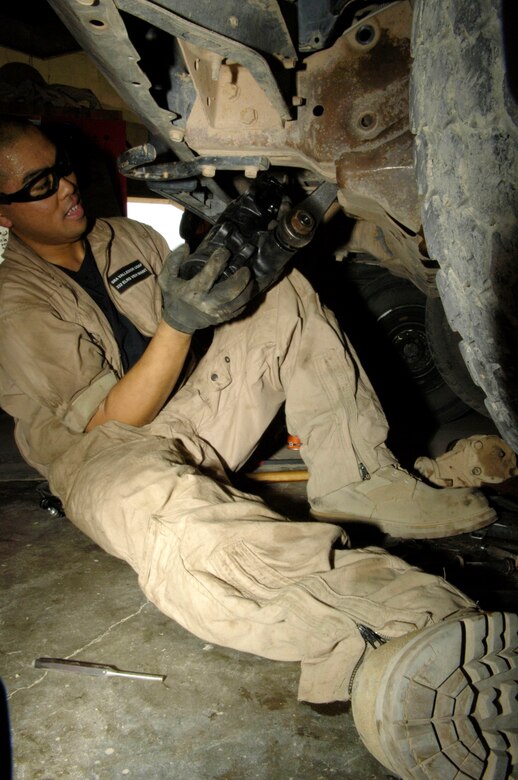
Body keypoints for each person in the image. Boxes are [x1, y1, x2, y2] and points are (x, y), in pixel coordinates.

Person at [0, 117, 515, 779]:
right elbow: (105, 424)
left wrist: (240, 278)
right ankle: (388, 623)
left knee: (283, 296)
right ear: (5, 211)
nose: (67, 185)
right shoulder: (15, 305)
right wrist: (181, 324)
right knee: (164, 513)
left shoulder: (121, 236)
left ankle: (358, 478)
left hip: (191, 413)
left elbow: (203, 316)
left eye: (62, 166)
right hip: (102, 457)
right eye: (40, 184)